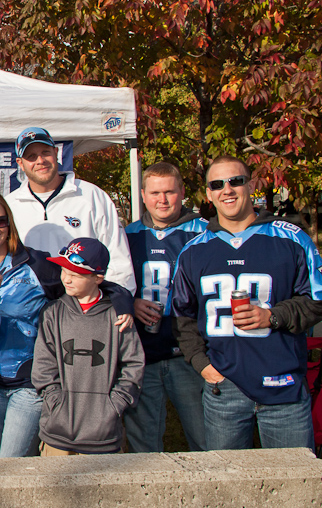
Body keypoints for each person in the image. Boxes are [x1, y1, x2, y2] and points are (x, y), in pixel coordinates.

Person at [171, 156, 322, 451]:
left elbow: (319, 299)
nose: (226, 190)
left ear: (251, 185)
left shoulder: (291, 238)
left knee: (291, 486)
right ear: (208, 194)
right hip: (224, 388)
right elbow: (181, 316)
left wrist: (274, 316)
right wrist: (202, 364)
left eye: (235, 181)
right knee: (227, 486)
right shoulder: (193, 251)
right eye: (217, 184)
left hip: (283, 388)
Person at [0, 192, 64, 458]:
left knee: (10, 462)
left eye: (0, 221)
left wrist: (122, 301)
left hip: (28, 384)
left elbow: (83, 283)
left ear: (10, 224)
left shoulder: (36, 263)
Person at [123, 162, 207, 453]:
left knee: (204, 438)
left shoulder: (204, 234)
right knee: (143, 444)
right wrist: (130, 302)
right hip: (142, 353)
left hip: (189, 354)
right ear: (143, 195)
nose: (162, 200)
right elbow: (112, 284)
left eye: (170, 192)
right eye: (155, 192)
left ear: (182, 192)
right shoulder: (127, 236)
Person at [32, 237, 145, 455]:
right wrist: (56, 403)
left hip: (104, 438)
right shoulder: (52, 313)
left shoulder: (119, 316)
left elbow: (134, 364)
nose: (67, 279)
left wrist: (114, 406)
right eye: (65, 271)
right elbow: (43, 367)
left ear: (98, 278)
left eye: (76, 275)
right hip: (57, 436)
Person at [4, 127, 137, 294]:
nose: (40, 161)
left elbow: (117, 256)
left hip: (83, 305)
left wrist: (119, 300)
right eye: (31, 156)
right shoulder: (9, 205)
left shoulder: (92, 196)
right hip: (30, 305)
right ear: (20, 164)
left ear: (56, 152)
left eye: (45, 152)